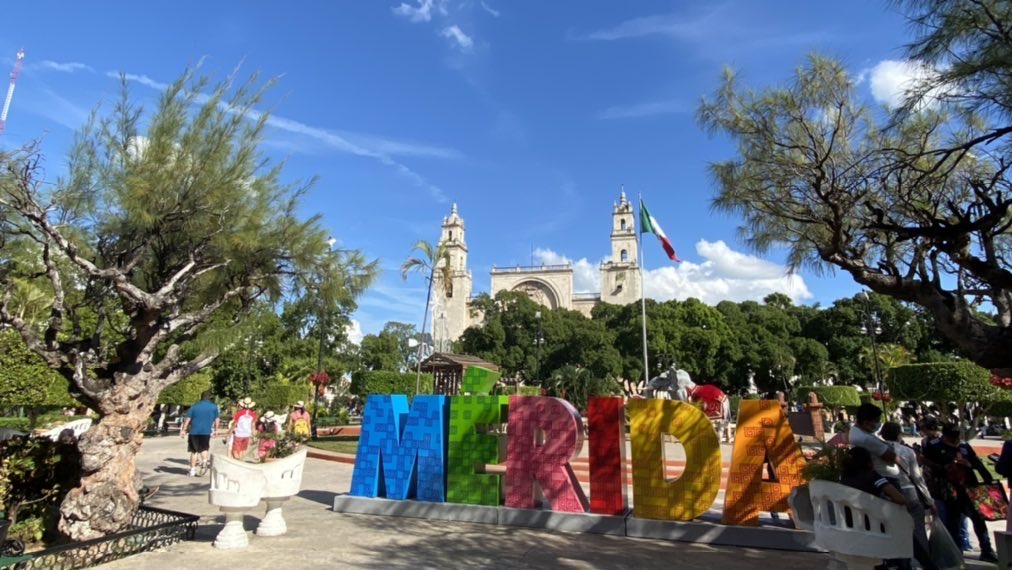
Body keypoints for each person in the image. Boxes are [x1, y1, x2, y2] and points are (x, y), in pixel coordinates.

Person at [923, 423, 998, 563]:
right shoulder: (933, 446)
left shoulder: (963, 446)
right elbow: (926, 463)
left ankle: (987, 550)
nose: (954, 439)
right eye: (951, 436)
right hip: (948, 488)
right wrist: (944, 467)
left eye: (956, 436)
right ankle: (957, 553)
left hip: (969, 487)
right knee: (953, 521)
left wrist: (985, 477)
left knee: (978, 519)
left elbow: (977, 463)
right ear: (944, 435)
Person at [880, 422, 939, 570]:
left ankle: (899, 563)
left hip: (888, 492)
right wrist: (929, 500)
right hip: (909, 491)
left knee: (892, 530)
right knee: (918, 530)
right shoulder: (907, 451)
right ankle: (921, 563)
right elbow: (918, 478)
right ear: (899, 434)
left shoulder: (877, 452)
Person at [848, 403, 901, 483]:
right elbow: (894, 459)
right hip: (886, 477)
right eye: (877, 421)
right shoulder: (865, 439)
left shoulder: (857, 431)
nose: (878, 424)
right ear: (866, 423)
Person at [180, 390, 220, 476]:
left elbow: (188, 419)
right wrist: (216, 430)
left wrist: (184, 429)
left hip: (194, 431)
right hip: (206, 432)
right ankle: (204, 462)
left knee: (194, 451)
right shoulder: (214, 407)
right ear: (210, 398)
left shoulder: (194, 406)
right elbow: (217, 419)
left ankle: (192, 471)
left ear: (201, 397)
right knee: (204, 449)